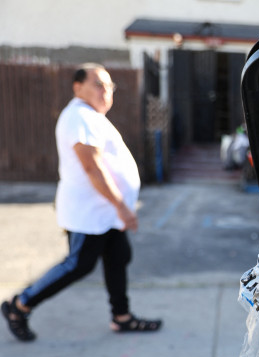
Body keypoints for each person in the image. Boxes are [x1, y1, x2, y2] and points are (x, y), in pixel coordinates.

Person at [1, 63, 162, 342]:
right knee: (78, 264)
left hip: (105, 213)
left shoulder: (90, 116)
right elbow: (92, 167)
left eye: (109, 86)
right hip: (91, 213)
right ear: (78, 87)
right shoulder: (79, 116)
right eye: (98, 84)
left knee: (118, 257)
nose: (106, 91)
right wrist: (122, 206)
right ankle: (19, 305)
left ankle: (121, 317)